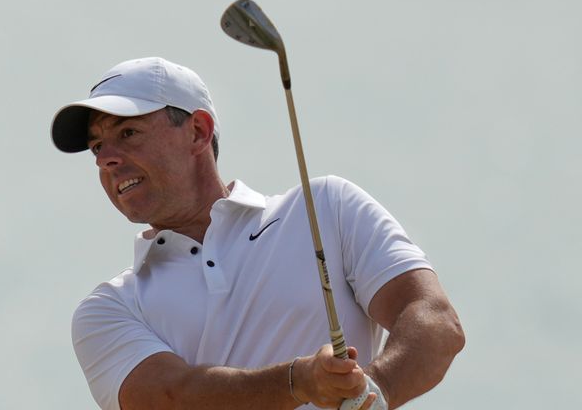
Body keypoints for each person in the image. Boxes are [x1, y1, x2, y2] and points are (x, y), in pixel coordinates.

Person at [51, 57, 465, 410]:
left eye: (127, 134)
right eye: (97, 147)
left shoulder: (325, 207)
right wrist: (299, 381)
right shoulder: (109, 308)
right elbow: (170, 398)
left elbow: (434, 319)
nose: (106, 160)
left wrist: (376, 390)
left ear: (198, 131)